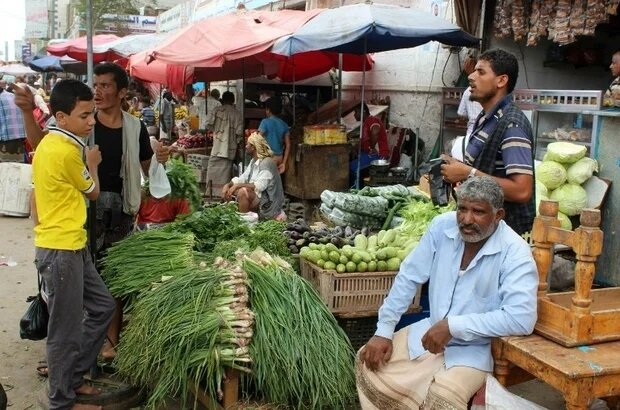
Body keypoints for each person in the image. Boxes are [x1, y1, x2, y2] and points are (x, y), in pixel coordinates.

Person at [14, 63, 170, 362]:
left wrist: (160, 158)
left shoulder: (135, 127)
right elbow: (41, 143)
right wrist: (26, 113)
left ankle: (108, 343)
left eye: (105, 85)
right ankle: (68, 355)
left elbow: (147, 167)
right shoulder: (81, 119)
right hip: (83, 214)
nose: (97, 91)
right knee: (75, 287)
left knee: (114, 280)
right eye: (95, 84)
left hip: (121, 213)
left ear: (122, 92)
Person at [357, 176, 538, 410]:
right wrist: (384, 330)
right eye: (462, 209)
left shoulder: (515, 252)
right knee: (368, 358)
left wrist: (453, 326)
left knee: (443, 400)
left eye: (478, 212)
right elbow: (409, 276)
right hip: (428, 332)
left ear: (498, 215)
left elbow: (521, 318)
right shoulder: (442, 226)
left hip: (474, 349)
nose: (467, 219)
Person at [32, 79, 116, 410]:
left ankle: (74, 377)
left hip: (71, 245)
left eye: (92, 113)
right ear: (62, 117)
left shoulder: (51, 144)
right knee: (63, 331)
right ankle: (61, 401)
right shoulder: (66, 151)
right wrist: (92, 163)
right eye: (84, 115)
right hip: (61, 250)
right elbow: (93, 192)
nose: (92, 121)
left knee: (103, 307)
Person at [440, 49, 535, 235]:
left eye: (481, 72)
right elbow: (485, 167)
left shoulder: (511, 124)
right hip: (483, 230)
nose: (471, 76)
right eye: (474, 71)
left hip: (504, 234)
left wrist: (467, 173)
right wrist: (457, 168)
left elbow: (522, 191)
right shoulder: (487, 118)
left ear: (501, 80)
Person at [222, 133, 284, 220]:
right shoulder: (253, 161)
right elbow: (242, 178)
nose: (246, 147)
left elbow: (260, 186)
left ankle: (246, 222)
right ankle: (240, 219)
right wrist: (228, 185)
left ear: (253, 147)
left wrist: (237, 186)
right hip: (259, 198)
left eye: (247, 144)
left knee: (243, 192)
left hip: (268, 204)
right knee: (231, 191)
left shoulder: (267, 162)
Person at [205, 91, 243, 197]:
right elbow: (239, 132)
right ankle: (222, 194)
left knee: (212, 171)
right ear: (233, 101)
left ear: (222, 100)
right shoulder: (237, 114)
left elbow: (208, 124)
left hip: (217, 147)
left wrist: (216, 130)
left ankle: (211, 193)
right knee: (225, 174)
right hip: (229, 149)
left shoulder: (216, 110)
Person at [349, 103, 390, 186]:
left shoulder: (372, 120)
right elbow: (363, 141)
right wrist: (354, 149)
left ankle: (355, 189)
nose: (354, 115)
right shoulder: (366, 123)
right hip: (370, 154)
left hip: (378, 156)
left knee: (352, 167)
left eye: (356, 112)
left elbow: (375, 131)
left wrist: (371, 147)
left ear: (363, 111)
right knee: (352, 162)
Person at [258, 96, 290, 174]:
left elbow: (257, 139)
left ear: (268, 110)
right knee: (276, 179)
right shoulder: (284, 124)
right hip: (280, 158)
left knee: (267, 180)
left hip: (269, 158)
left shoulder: (265, 122)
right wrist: (284, 163)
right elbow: (288, 145)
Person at [451, 87, 483, 161]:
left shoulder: (468, 90)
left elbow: (461, 113)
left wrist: (471, 113)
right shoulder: (491, 90)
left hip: (471, 132)